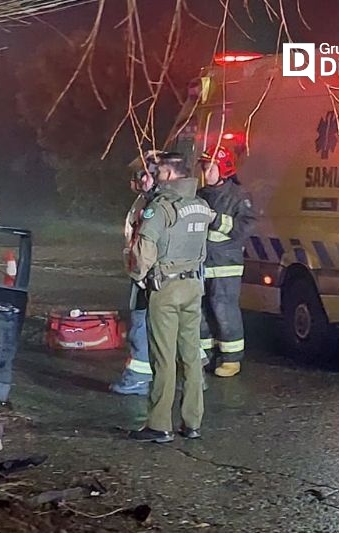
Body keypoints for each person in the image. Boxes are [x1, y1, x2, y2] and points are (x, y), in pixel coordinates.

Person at [127, 152, 211, 444]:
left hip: (166, 289)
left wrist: (138, 274)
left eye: (160, 171)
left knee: (163, 358)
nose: (156, 175)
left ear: (171, 174)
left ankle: (160, 424)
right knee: (190, 355)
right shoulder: (201, 205)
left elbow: (144, 252)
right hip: (193, 287)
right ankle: (192, 422)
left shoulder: (161, 209)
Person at [197, 146, 256, 378]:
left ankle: (232, 358)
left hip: (225, 263)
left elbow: (243, 228)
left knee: (223, 309)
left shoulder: (239, 196)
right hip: (202, 263)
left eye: (209, 167)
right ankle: (206, 355)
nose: (205, 172)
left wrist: (215, 219)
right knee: (201, 311)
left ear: (224, 168)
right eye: (203, 167)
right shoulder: (200, 194)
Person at [110, 153, 158, 395]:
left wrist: (141, 274)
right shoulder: (146, 200)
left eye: (138, 175)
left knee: (141, 324)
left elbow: (148, 242)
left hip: (146, 276)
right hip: (142, 273)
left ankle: (139, 378)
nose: (134, 181)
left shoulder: (155, 205)